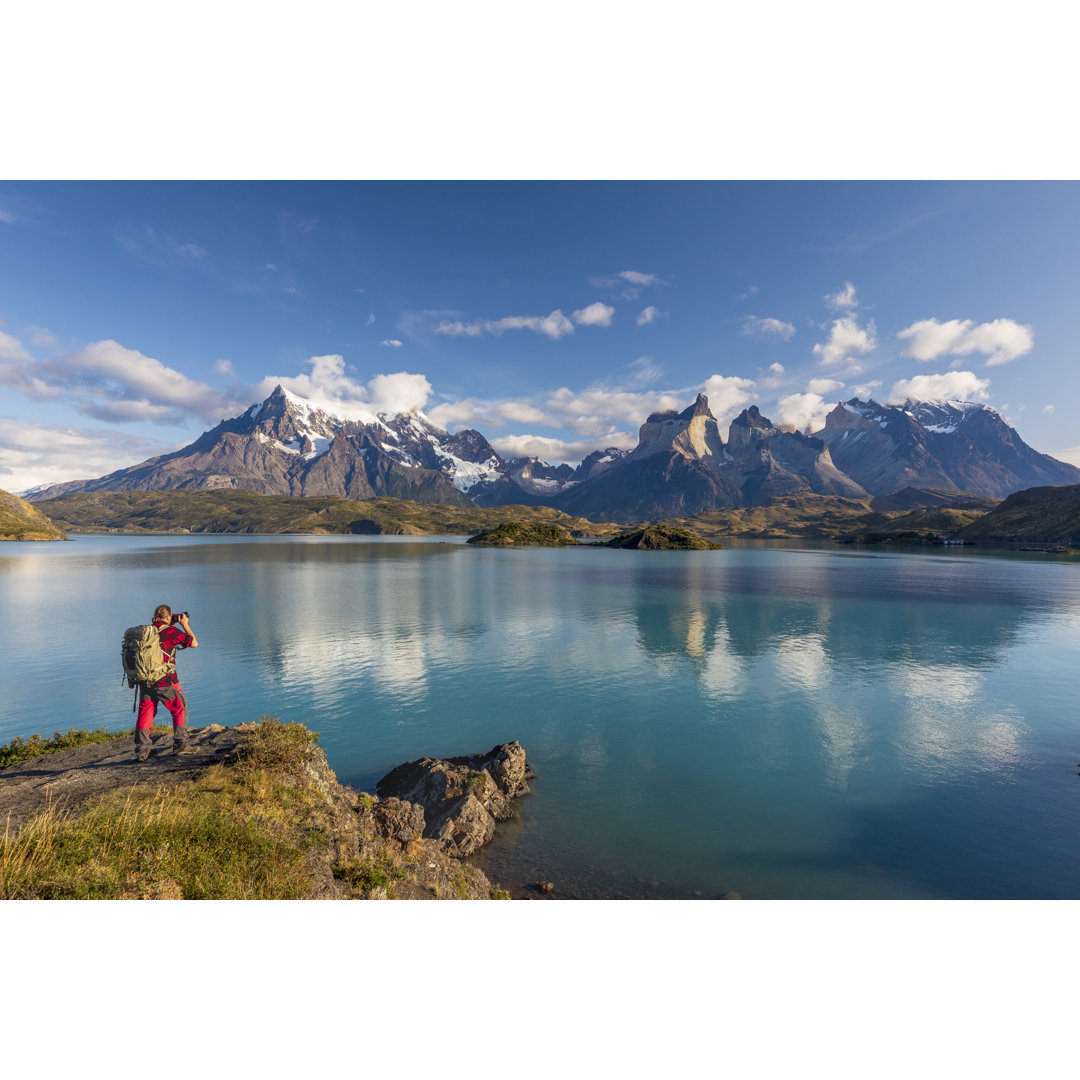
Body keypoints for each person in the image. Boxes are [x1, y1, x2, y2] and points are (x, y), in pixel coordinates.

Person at [134, 604, 199, 761]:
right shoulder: (171, 631)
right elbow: (193, 643)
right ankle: (181, 745)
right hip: (163, 681)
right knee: (179, 707)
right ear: (169, 617)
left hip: (145, 680)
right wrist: (184, 625)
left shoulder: (148, 631)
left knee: (146, 712)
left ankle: (143, 750)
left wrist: (172, 623)